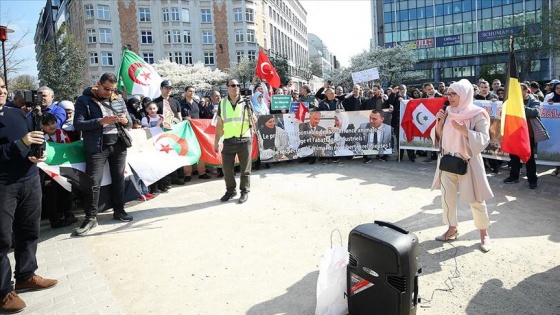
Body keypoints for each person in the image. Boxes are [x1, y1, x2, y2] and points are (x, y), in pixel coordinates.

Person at [0, 77, 58, 313]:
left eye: (3, 87)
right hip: (3, 184)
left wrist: (36, 154)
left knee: (29, 230)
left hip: (29, 179)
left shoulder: (15, 113)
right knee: (2, 238)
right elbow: (16, 145)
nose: (1, 91)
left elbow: (32, 140)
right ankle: (4, 291)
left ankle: (26, 275)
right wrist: (21, 144)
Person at [431, 79, 493, 252]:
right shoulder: (447, 112)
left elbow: (484, 139)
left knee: (476, 199)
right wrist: (439, 122)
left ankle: (484, 233)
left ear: (464, 94)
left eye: (453, 94)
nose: (449, 97)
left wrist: (464, 130)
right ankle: (452, 228)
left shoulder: (477, 114)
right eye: (448, 94)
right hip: (447, 161)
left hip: (468, 163)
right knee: (446, 197)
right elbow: (438, 136)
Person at [73, 73, 134, 236]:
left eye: (112, 89)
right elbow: (78, 124)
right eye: (106, 88)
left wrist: (124, 121)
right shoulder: (83, 100)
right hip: (96, 146)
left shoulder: (119, 99)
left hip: (119, 144)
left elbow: (130, 121)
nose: (109, 92)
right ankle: (91, 217)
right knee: (93, 181)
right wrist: (101, 121)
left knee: (119, 178)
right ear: (98, 84)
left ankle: (119, 210)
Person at [214, 79, 254, 204]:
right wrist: (216, 141)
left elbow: (254, 120)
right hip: (228, 140)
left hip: (244, 139)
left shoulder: (246, 102)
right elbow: (220, 124)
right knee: (227, 169)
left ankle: (244, 191)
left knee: (245, 169)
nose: (235, 87)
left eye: (237, 85)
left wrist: (253, 117)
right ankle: (230, 190)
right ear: (227, 87)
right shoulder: (222, 103)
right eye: (232, 85)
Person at [503, 83, 542, 189]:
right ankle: (514, 176)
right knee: (514, 156)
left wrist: (520, 107)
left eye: (519, 91)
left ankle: (532, 180)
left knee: (529, 158)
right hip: (514, 133)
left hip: (528, 134)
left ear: (526, 91)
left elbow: (535, 112)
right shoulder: (511, 101)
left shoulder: (533, 100)